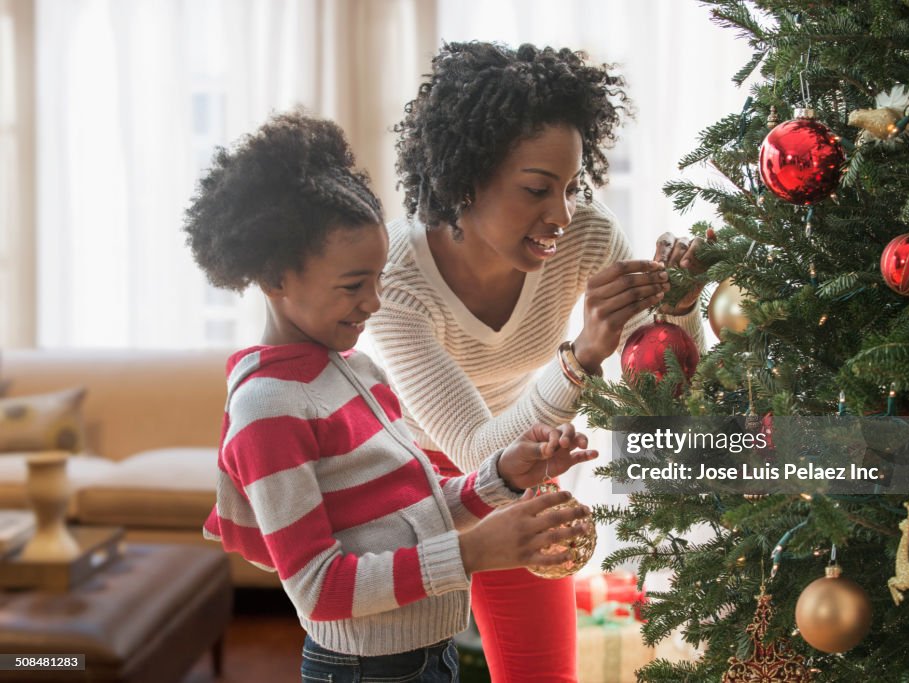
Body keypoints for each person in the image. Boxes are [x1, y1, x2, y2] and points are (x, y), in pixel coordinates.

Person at [184, 111, 597, 683]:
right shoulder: (268, 409)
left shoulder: (358, 370)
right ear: (278, 279)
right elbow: (319, 588)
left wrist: (503, 475)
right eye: (353, 285)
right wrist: (475, 555)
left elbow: (413, 516)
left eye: (378, 277)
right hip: (363, 669)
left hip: (428, 654)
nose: (375, 302)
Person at [368, 42, 708, 682]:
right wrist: (580, 356)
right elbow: (474, 450)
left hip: (521, 458)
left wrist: (680, 308)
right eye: (535, 190)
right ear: (463, 178)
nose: (561, 215)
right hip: (401, 472)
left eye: (573, 186)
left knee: (542, 674)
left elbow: (664, 387)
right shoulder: (396, 276)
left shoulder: (586, 234)